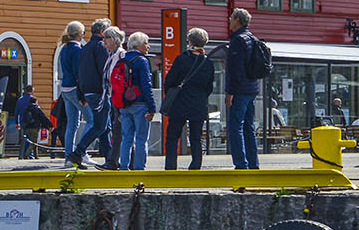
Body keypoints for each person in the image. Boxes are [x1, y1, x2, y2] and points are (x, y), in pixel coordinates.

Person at [162, 28, 216, 171]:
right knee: (196, 137)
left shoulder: (182, 59)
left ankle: (171, 167)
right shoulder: (208, 63)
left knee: (173, 136)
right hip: (198, 104)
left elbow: (169, 81)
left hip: (179, 103)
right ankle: (195, 166)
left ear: (190, 41)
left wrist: (171, 94)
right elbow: (209, 86)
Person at [224, 9, 264, 170]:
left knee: (236, 127)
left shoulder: (238, 40)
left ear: (238, 21)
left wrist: (230, 93)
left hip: (239, 91)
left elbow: (236, 70)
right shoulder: (252, 38)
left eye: (232, 18)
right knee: (249, 127)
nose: (229, 19)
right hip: (252, 89)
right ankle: (253, 163)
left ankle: (241, 164)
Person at [112, 32, 155, 170]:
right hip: (140, 103)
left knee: (127, 138)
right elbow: (146, 85)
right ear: (137, 45)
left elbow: (116, 86)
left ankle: (124, 166)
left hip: (124, 105)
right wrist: (152, 107)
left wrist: (118, 108)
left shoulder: (122, 61)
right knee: (141, 138)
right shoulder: (142, 61)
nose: (148, 46)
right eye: (146, 43)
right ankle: (139, 167)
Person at [75, 21, 114, 168]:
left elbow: (79, 73)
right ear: (103, 32)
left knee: (105, 127)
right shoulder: (101, 47)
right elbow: (104, 71)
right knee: (100, 126)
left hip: (88, 91)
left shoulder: (84, 48)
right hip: (100, 92)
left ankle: (110, 159)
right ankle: (78, 152)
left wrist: (81, 94)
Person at [54, 21, 85, 162]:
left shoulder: (64, 48)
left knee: (72, 124)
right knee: (92, 121)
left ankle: (68, 156)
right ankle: (81, 152)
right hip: (74, 88)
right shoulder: (77, 50)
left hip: (64, 88)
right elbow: (78, 72)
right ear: (79, 34)